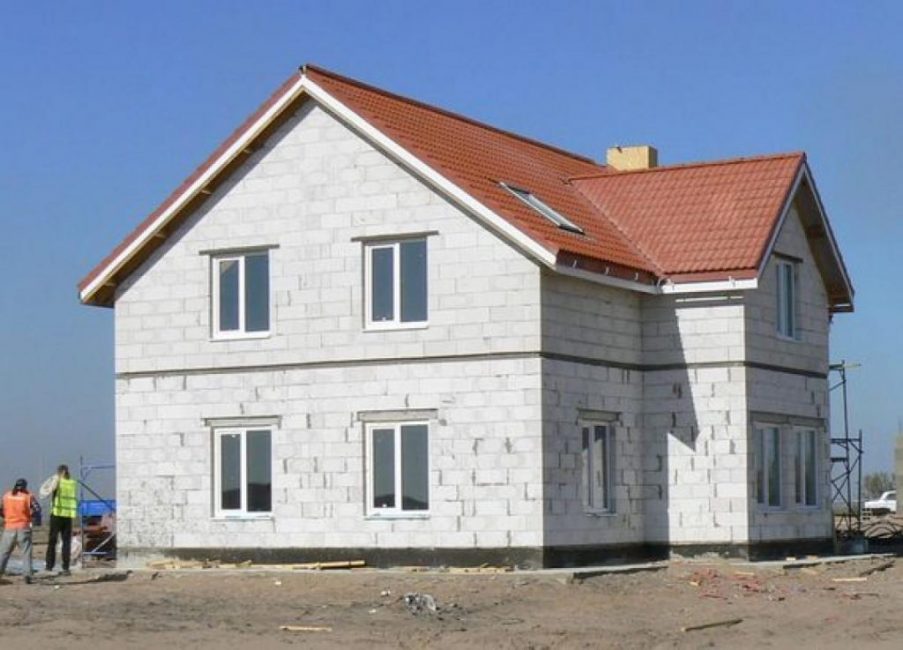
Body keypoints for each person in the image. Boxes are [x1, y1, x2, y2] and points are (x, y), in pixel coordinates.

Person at [0, 478, 38, 584]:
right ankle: (27, 575)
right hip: (23, 527)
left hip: (9, 527)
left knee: (4, 553)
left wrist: (6, 516)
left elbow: (0, 509)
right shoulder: (28, 496)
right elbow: (37, 509)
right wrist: (30, 516)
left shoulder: (7, 495)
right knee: (26, 552)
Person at [45, 464, 78, 576]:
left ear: (61, 472)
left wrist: (55, 480)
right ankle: (66, 568)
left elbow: (46, 491)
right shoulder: (72, 483)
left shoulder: (57, 481)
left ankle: (49, 566)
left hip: (57, 513)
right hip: (68, 515)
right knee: (66, 543)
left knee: (52, 541)